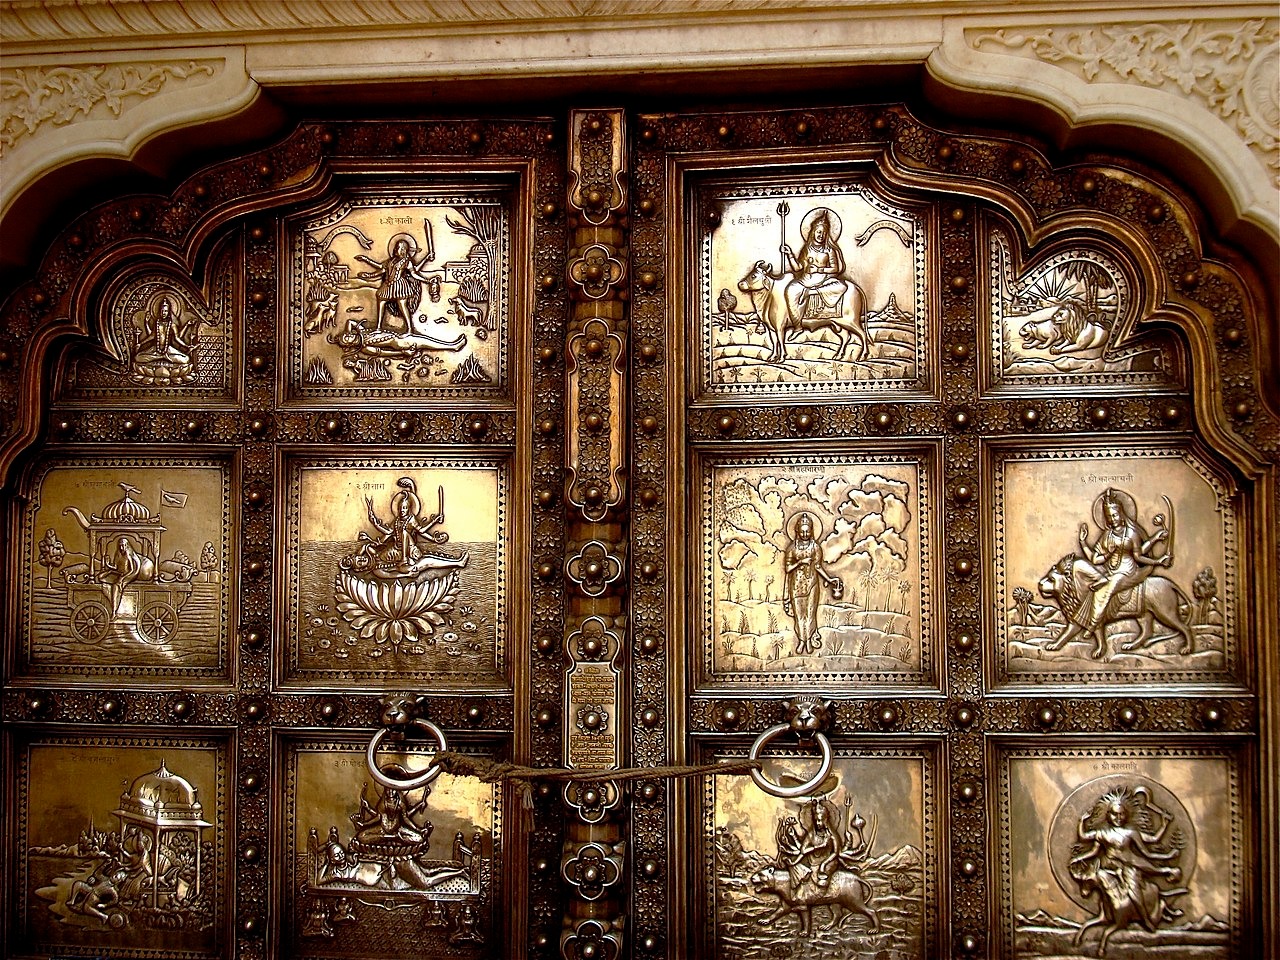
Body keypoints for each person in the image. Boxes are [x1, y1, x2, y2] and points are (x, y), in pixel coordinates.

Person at [1069, 787, 1188, 948]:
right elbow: (1088, 843)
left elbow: (1151, 842)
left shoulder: (1131, 833)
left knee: (1134, 892)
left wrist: (1164, 825)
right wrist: (1081, 824)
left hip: (1130, 867)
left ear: (1126, 815)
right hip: (1110, 867)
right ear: (1108, 815)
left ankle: (1146, 920)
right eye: (1114, 814)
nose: (1118, 817)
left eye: (1121, 814)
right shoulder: (1102, 833)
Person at [1070, 488, 1169, 646]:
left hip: (1128, 572)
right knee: (1094, 585)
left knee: (1108, 588)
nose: (1112, 519)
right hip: (1111, 570)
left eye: (1115, 515)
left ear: (1122, 513)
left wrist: (1157, 557)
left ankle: (1092, 624)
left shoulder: (1131, 534)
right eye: (1109, 517)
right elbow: (1095, 560)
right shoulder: (1107, 536)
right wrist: (1083, 543)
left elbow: (1139, 555)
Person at [782, 512, 842, 655]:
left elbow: (818, 567)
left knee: (810, 615)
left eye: (807, 531)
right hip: (796, 586)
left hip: (812, 585)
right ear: (797, 531)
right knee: (799, 616)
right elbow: (787, 568)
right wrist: (800, 562)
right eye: (802, 531)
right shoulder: (792, 548)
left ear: (811, 531)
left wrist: (829, 580)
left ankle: (808, 640)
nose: (804, 534)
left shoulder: (815, 548)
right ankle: (801, 641)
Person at [356, 234, 439, 333]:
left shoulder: (407, 261)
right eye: (396, 247)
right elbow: (381, 269)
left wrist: (427, 280)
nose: (395, 249)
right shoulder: (391, 261)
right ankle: (378, 327)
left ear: (404, 249)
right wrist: (368, 270)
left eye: (398, 247)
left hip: (400, 285)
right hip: (388, 285)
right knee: (381, 301)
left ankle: (409, 329)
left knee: (402, 306)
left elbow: (414, 274)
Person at [780, 208, 850, 325]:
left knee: (841, 286)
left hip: (823, 281)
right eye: (818, 232)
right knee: (790, 290)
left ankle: (811, 292)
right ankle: (797, 326)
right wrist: (790, 255)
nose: (821, 235)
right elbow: (798, 268)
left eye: (823, 233)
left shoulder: (829, 250)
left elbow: (836, 269)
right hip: (805, 281)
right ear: (813, 232)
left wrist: (818, 269)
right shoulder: (807, 249)